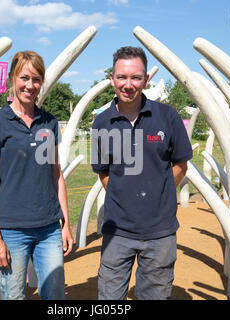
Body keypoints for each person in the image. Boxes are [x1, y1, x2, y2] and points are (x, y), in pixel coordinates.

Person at [91, 46, 193, 300]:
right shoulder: (101, 122)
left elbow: (181, 164)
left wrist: (161, 192)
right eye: (122, 77)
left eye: (136, 77)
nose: (128, 84)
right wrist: (123, 194)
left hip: (160, 233)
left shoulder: (167, 116)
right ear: (112, 79)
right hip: (117, 231)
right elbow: (103, 171)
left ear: (146, 80)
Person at [0, 51, 73, 300]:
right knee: (13, 296)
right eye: (24, 78)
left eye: (36, 79)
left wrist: (65, 224)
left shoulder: (49, 122)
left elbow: (56, 174)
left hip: (49, 228)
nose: (29, 86)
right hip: (12, 230)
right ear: (12, 78)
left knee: (55, 295)